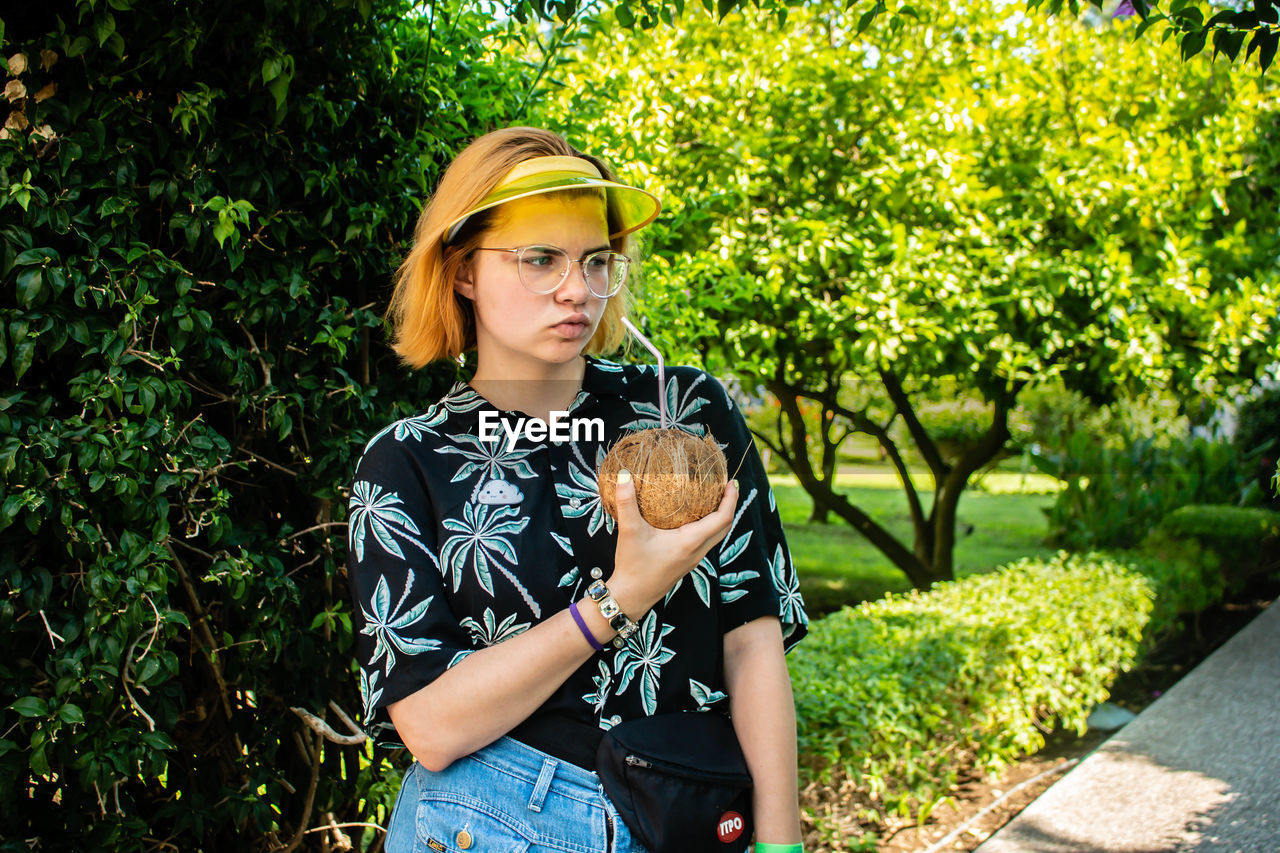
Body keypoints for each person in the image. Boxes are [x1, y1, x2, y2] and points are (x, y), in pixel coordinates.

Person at [346, 126, 809, 853]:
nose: (577, 289)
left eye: (597, 261)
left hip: (688, 812)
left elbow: (753, 641)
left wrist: (782, 844)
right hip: (491, 819)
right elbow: (430, 727)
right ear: (464, 269)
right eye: (541, 259)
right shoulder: (408, 462)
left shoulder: (686, 412)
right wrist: (622, 596)